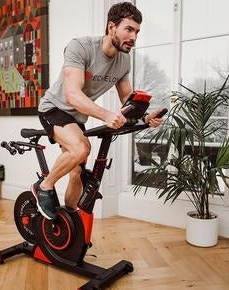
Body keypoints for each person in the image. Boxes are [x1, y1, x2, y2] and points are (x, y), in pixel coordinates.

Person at [34, 2, 163, 220]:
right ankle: (44, 186)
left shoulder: (124, 60)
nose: (133, 37)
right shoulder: (81, 47)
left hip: (76, 116)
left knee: (76, 171)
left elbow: (126, 99)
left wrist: (144, 116)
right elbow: (73, 95)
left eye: (137, 32)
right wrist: (106, 115)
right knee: (81, 148)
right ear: (111, 27)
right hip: (54, 108)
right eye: (129, 30)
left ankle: (69, 219)